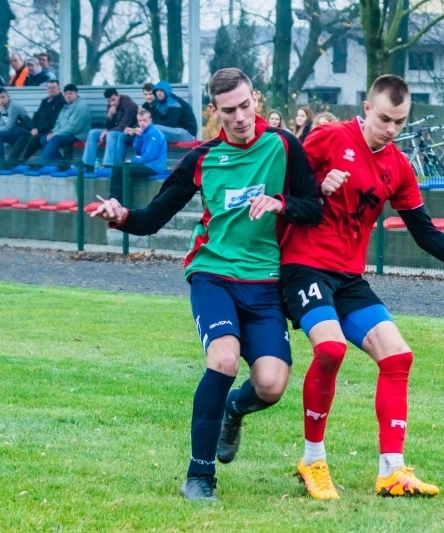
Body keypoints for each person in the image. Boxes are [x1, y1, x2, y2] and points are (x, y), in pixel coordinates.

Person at [279, 75, 444, 500]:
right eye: (384, 119)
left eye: (399, 121)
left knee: (398, 355)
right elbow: (283, 184)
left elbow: (425, 233)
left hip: (348, 278)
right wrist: (319, 189)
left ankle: (392, 471)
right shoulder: (328, 137)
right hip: (304, 267)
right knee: (331, 348)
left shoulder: (398, 167)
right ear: (365, 108)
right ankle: (312, 459)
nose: (391, 129)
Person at [90, 68, 322, 503]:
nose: (239, 117)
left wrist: (281, 203)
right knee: (224, 359)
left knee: (271, 384)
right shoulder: (201, 159)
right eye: (228, 110)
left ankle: (234, 408)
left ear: (257, 98)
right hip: (213, 275)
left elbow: (314, 208)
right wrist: (121, 217)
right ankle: (199, 477)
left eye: (245, 106)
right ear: (214, 112)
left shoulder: (284, 146)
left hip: (265, 283)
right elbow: (154, 216)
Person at [108, 107, 166, 203]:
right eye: (139, 120)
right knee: (119, 167)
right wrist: (138, 137)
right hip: (147, 164)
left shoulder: (153, 133)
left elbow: (149, 156)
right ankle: (117, 200)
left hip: (153, 166)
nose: (142, 123)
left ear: (150, 120)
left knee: (118, 168)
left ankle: (115, 200)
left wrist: (132, 161)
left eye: (144, 120)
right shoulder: (145, 132)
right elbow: (138, 151)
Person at [5, 80, 65, 167]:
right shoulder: (45, 101)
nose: (51, 90)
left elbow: (54, 121)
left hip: (50, 132)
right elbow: (36, 116)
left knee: (34, 139)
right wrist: (34, 128)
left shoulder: (61, 102)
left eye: (53, 88)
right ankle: (10, 162)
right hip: (37, 131)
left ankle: (20, 162)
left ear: (59, 89)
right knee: (22, 139)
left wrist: (38, 130)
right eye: (49, 88)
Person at [82, 88, 139, 171]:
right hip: (116, 131)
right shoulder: (111, 105)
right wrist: (110, 116)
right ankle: (88, 164)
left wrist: (108, 131)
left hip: (129, 132)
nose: (112, 103)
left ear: (118, 96)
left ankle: (109, 165)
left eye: (113, 100)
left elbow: (123, 126)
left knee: (111, 134)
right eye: (109, 101)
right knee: (92, 133)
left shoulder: (129, 105)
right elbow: (109, 126)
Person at [38, 83, 91, 167]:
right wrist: (52, 132)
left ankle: (41, 163)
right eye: (66, 94)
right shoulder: (65, 106)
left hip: (78, 135)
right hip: (66, 134)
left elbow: (73, 128)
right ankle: (63, 164)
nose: (68, 96)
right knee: (44, 139)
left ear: (76, 94)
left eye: (70, 93)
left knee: (55, 139)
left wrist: (55, 134)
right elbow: (58, 123)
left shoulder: (81, 106)